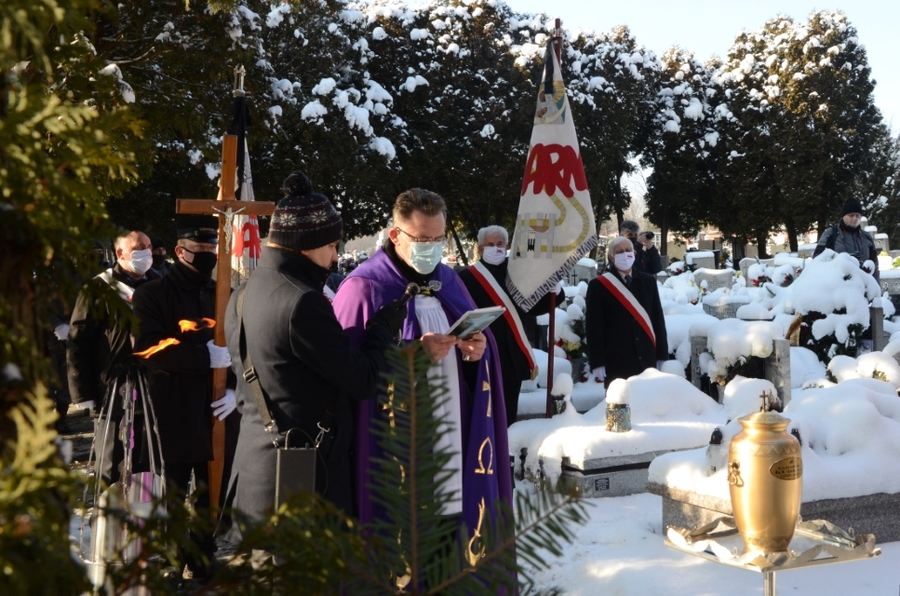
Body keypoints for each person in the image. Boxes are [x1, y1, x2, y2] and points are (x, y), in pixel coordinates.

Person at [222, 172, 406, 533]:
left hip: (257, 463)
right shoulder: (302, 301)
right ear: (306, 243)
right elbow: (362, 379)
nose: (337, 257)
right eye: (332, 246)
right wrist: (381, 330)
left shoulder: (245, 291)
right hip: (299, 472)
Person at [332, 189, 512, 545]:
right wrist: (412, 354)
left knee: (450, 530)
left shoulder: (449, 280)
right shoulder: (364, 288)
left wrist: (476, 354)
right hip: (395, 445)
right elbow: (346, 371)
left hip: (455, 433)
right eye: (422, 239)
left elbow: (477, 350)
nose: (431, 247)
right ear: (396, 235)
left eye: (438, 238)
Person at [132, 215, 236, 580]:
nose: (208, 255)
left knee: (212, 490)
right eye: (201, 249)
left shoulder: (224, 294)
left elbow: (241, 345)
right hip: (172, 406)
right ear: (180, 251)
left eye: (212, 249)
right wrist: (201, 357)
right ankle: (175, 561)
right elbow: (146, 348)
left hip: (217, 406)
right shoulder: (152, 294)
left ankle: (204, 556)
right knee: (174, 490)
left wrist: (237, 388)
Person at [67, 231, 158, 483]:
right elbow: (78, 343)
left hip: (152, 383)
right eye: (140, 247)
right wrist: (82, 393)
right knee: (110, 457)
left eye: (149, 247)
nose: (147, 253)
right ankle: (108, 513)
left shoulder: (160, 284)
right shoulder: (98, 288)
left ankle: (142, 514)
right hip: (110, 383)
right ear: (120, 253)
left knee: (146, 458)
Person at [458, 225, 563, 426]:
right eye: (490, 244)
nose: (496, 248)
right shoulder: (467, 278)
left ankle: (508, 455)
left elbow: (534, 308)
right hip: (481, 356)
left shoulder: (517, 273)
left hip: (511, 356)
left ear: (507, 246)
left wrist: (554, 292)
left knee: (508, 416)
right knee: (481, 416)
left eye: (500, 244)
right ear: (480, 248)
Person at [586, 236, 668, 387]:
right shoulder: (598, 286)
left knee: (646, 407)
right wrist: (597, 362)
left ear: (634, 253)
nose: (625, 254)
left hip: (646, 359)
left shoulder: (648, 281)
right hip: (617, 361)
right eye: (619, 251)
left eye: (628, 250)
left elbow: (657, 319)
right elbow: (594, 327)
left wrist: (662, 354)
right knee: (620, 409)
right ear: (611, 256)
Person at [813, 197, 880, 282]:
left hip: (864, 286)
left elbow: (875, 265)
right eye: (851, 215)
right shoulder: (830, 234)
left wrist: (877, 290)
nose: (855, 218)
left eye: (857, 215)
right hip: (839, 287)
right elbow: (817, 260)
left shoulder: (867, 237)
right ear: (844, 216)